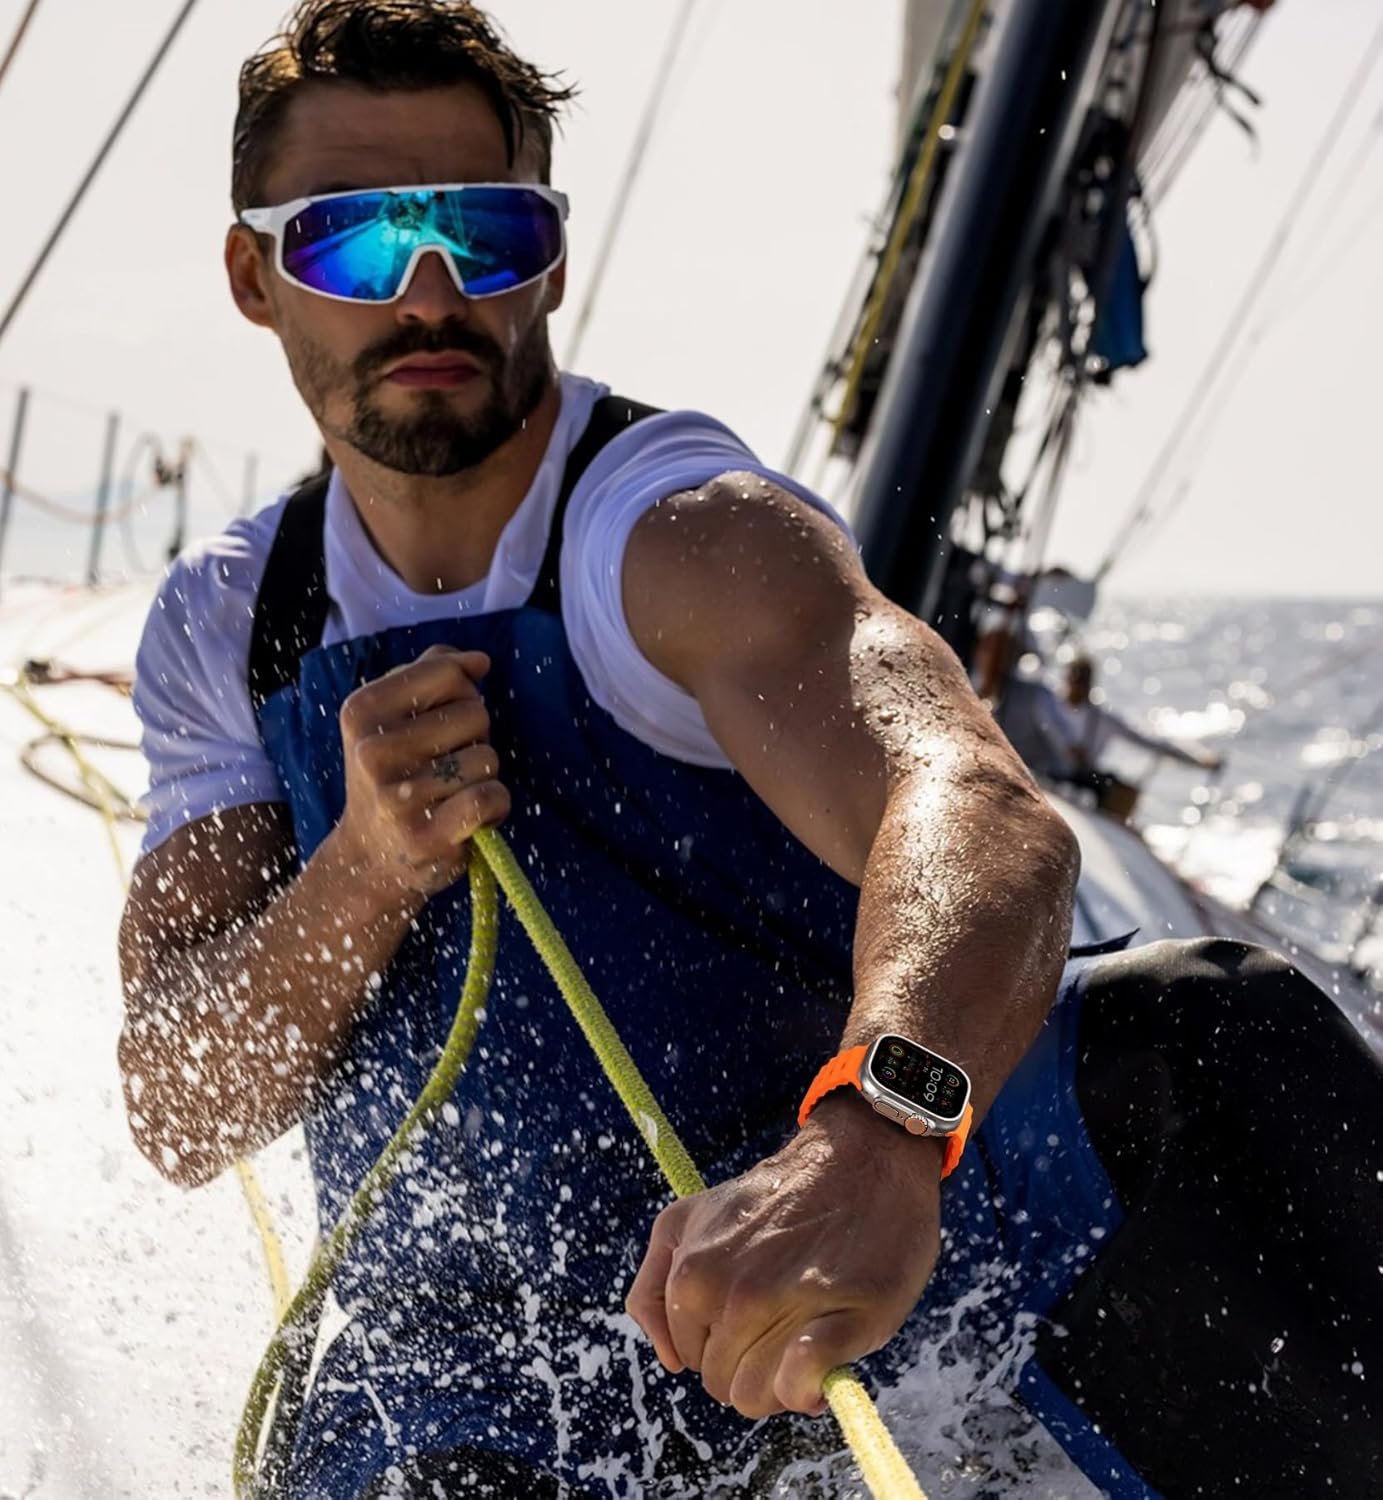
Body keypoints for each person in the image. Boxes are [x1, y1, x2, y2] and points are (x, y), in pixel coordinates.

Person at [117, 4, 1382, 1496]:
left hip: (843, 1249)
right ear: (253, 276)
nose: (432, 292)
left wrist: (881, 1129)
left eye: (488, 233)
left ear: (554, 261)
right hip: (471, 1371)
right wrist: (362, 872)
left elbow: (976, 809)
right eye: (354, 244)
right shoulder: (233, 628)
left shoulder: (669, 531)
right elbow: (178, 1108)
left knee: (1213, 1034)